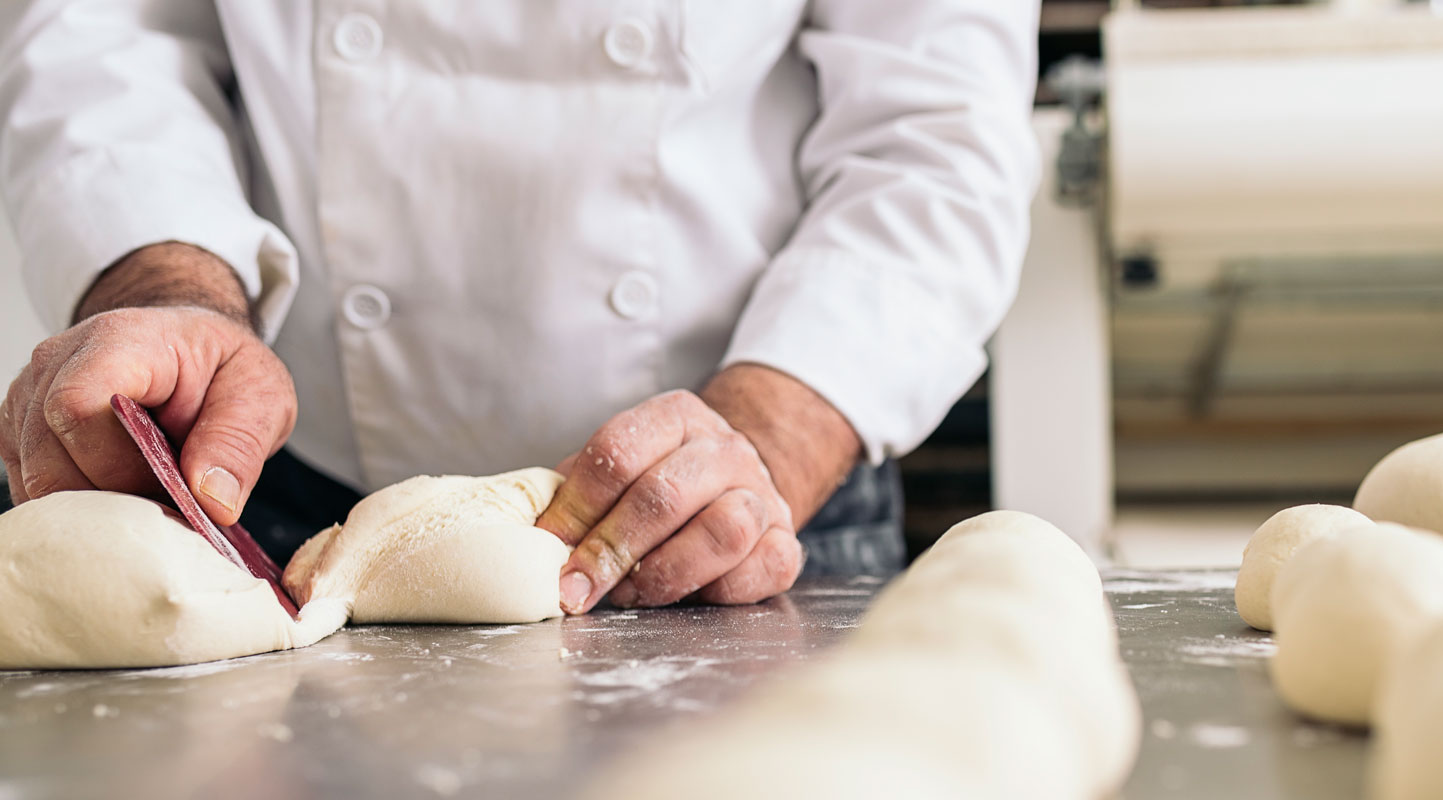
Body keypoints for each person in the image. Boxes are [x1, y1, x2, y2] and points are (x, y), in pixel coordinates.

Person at [0, 2, 1039, 614]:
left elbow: (933, 133)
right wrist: (168, 291)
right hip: (261, 491)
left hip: (746, 492)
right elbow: (108, 33)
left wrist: (768, 436)